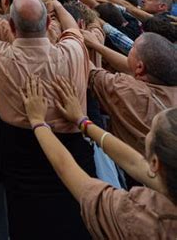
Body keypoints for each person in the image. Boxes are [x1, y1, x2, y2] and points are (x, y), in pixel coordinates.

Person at [0, 0, 95, 239]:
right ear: (47, 23)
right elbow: (72, 30)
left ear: (11, 27)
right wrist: (55, 3)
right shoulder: (74, 52)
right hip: (76, 172)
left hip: (23, 174)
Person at [20, 76, 177, 239]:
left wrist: (38, 121)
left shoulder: (138, 217)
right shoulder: (170, 181)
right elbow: (134, 162)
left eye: (151, 130)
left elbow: (69, 171)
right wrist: (83, 122)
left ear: (155, 163)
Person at [83, 31, 177, 154]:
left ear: (140, 67)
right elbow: (132, 67)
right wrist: (97, 46)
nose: (130, 49)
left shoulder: (127, 90)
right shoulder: (164, 79)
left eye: (132, 48)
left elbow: (90, 71)